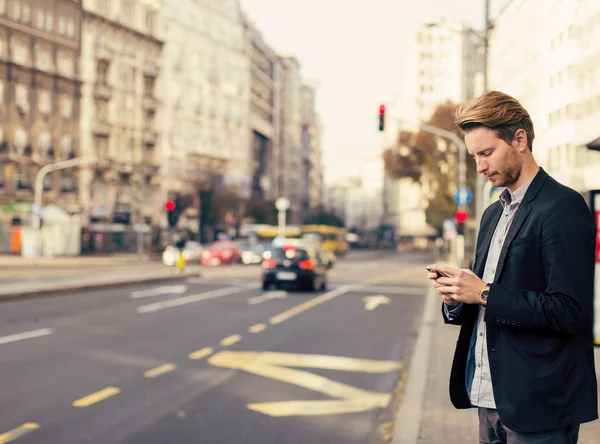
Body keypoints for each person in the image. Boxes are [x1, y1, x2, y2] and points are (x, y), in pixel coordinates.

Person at [427, 91, 598, 443]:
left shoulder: (561, 207)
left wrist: (484, 292)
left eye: (487, 153)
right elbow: (485, 298)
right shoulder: (492, 214)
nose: (480, 166)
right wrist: (457, 296)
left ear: (519, 139)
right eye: (475, 156)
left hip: (540, 403)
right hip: (488, 396)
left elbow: (570, 311)